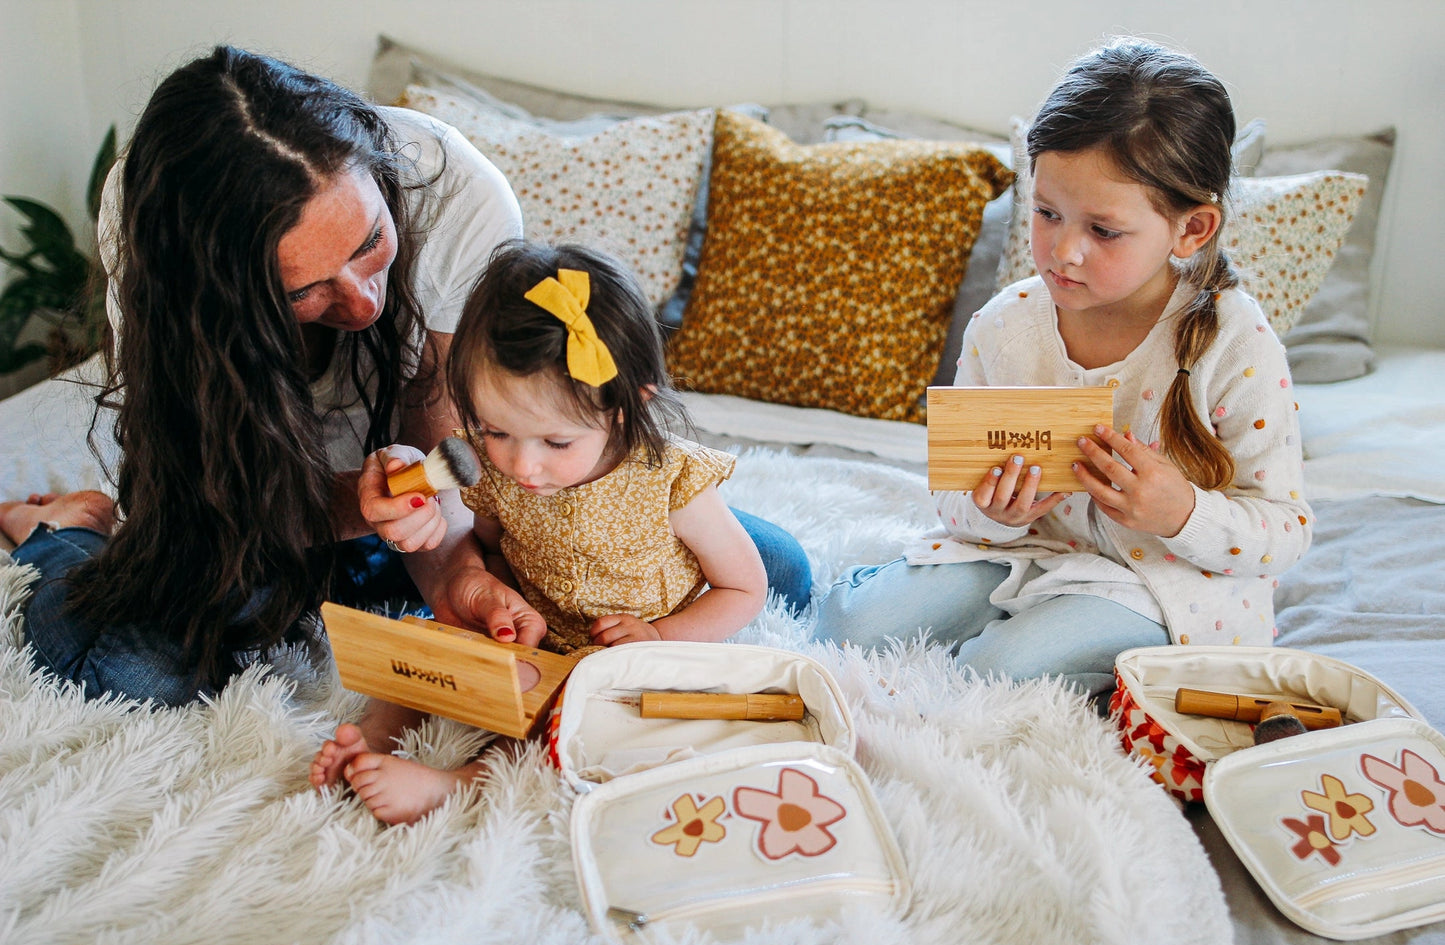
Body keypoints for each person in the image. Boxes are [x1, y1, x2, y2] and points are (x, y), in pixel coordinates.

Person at [0, 45, 813, 709]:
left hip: (420, 515)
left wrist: (458, 574)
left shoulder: (454, 191)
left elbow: (457, 463)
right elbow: (224, 495)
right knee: (140, 673)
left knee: (773, 571)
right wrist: (365, 506)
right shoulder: (153, 233)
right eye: (302, 291)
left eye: (370, 243)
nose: (360, 301)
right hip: (262, 508)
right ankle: (64, 532)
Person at [812, 39, 1313, 701]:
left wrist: (1180, 510)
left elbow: (1284, 531)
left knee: (999, 671)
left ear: (1190, 230)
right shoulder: (1005, 324)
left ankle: (1060, 649)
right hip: (1024, 553)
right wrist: (993, 514)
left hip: (1163, 580)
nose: (1063, 252)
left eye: (1103, 230)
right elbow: (953, 497)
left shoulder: (1233, 342)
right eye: (1047, 213)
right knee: (849, 624)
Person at [310, 240, 768, 823]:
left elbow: (744, 590)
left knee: (570, 713)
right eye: (497, 431)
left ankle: (460, 785)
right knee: (428, 646)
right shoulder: (495, 472)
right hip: (532, 636)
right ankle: (371, 739)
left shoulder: (672, 480)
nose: (524, 466)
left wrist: (658, 636)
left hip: (625, 658)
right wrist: (491, 593)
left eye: (556, 442)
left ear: (626, 407)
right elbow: (491, 548)